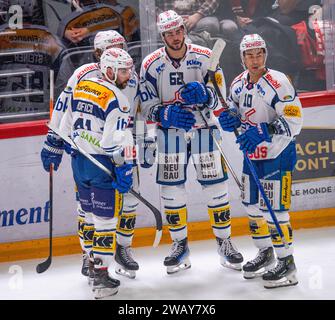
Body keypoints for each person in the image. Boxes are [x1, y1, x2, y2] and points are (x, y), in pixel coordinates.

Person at [139, 10, 243, 275]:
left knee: (216, 189)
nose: (175, 37)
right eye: (169, 34)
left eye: (178, 31)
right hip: (169, 135)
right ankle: (179, 245)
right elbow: (145, 105)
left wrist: (207, 94)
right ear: (163, 36)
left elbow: (221, 95)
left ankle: (224, 243)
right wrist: (164, 113)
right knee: (172, 192)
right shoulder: (150, 64)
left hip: (204, 131)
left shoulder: (206, 56)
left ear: (184, 30)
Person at [40, 30, 141, 283]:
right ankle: (91, 257)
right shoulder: (83, 74)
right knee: (89, 210)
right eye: (112, 47)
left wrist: (140, 147)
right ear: (98, 54)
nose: (121, 51)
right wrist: (54, 141)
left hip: (123, 148)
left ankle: (121, 249)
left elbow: (136, 116)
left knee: (128, 203)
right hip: (94, 154)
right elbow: (64, 108)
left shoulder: (129, 74)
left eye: (122, 46)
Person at [218, 34, 302, 288]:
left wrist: (264, 130)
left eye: (259, 54)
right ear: (242, 58)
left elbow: (294, 119)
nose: (255, 60)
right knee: (252, 205)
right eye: (249, 55)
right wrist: (230, 117)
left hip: (277, 153)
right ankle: (266, 252)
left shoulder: (279, 82)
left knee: (275, 210)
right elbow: (234, 109)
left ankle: (287, 262)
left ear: (265, 54)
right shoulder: (238, 84)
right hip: (252, 155)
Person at [57, 47, 134, 299]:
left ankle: (91, 265)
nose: (128, 76)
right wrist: (123, 166)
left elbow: (66, 123)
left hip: (79, 162)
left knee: (88, 216)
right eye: (123, 71)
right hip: (102, 165)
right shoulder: (118, 99)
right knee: (105, 222)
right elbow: (113, 143)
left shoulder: (82, 86)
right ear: (109, 70)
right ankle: (101, 276)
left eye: (130, 70)